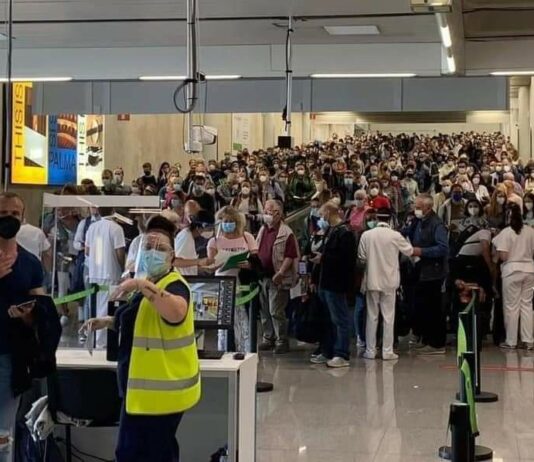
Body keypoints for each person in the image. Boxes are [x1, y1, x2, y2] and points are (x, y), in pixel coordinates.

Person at [81, 216, 199, 462]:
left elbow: (176, 311)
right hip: (139, 390)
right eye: (148, 247)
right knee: (138, 452)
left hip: (160, 393)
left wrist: (140, 283)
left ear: (172, 258)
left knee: (144, 453)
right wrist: (108, 322)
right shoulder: (149, 284)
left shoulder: (173, 284)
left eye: (161, 249)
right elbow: (141, 320)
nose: (152, 252)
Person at [0, 192, 46, 462]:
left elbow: (39, 310)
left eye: (14, 214)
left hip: (10, 357)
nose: (8, 219)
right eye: (3, 213)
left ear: (23, 217)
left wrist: (30, 315)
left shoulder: (30, 263)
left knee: (3, 432)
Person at [358, 209, 414, 360]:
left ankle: (370, 350)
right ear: (391, 220)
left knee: (371, 316)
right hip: (390, 281)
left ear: (376, 219)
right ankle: (387, 351)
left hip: (371, 280)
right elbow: (409, 251)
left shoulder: (366, 235)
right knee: (389, 317)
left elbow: (361, 258)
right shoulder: (395, 235)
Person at [310, 202, 356, 368]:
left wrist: (323, 258)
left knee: (340, 318)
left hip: (336, 283)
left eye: (322, 215)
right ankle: (327, 349)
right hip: (324, 281)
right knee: (327, 318)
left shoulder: (345, 234)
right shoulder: (330, 231)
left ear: (329, 213)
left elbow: (346, 260)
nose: (321, 219)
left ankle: (342, 353)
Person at [207, 206, 258, 352]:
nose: (228, 223)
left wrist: (248, 264)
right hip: (222, 284)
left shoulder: (247, 237)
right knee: (224, 320)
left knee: (243, 319)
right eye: (225, 221)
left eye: (231, 221)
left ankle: (246, 351)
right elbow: (210, 265)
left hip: (243, 283)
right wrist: (223, 262)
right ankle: (224, 350)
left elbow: (255, 259)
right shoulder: (214, 241)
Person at [403, 194, 449, 355]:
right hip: (419, 271)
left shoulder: (437, 224)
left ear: (428, 208)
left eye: (419, 207)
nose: (416, 210)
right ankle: (426, 339)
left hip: (433, 273)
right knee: (422, 307)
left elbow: (443, 248)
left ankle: (437, 344)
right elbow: (407, 232)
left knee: (434, 309)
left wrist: (421, 251)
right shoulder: (418, 221)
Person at [257, 200, 299, 354]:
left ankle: (281, 340)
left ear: (278, 213)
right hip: (263, 276)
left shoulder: (286, 232)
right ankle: (268, 338)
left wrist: (281, 272)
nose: (266, 213)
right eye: (265, 210)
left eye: (269, 210)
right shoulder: (263, 230)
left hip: (277, 277)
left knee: (276, 310)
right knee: (264, 310)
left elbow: (290, 255)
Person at [493, 203, 534, 350]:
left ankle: (511, 341)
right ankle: (529, 340)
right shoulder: (530, 231)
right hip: (529, 270)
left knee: (511, 307)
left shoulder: (506, 232)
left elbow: (503, 256)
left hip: (511, 270)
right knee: (527, 306)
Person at [85, 207, 126, 348]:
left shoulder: (92, 227)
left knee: (95, 309)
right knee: (105, 310)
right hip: (110, 273)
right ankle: (101, 344)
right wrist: (123, 269)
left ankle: (95, 341)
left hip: (94, 273)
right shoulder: (116, 228)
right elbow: (120, 252)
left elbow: (87, 250)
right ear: (113, 210)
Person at [174, 210, 215, 276]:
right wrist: (199, 261)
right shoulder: (185, 237)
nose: (210, 231)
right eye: (209, 229)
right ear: (198, 227)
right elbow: (175, 261)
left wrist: (201, 269)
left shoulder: (190, 237)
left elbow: (188, 261)